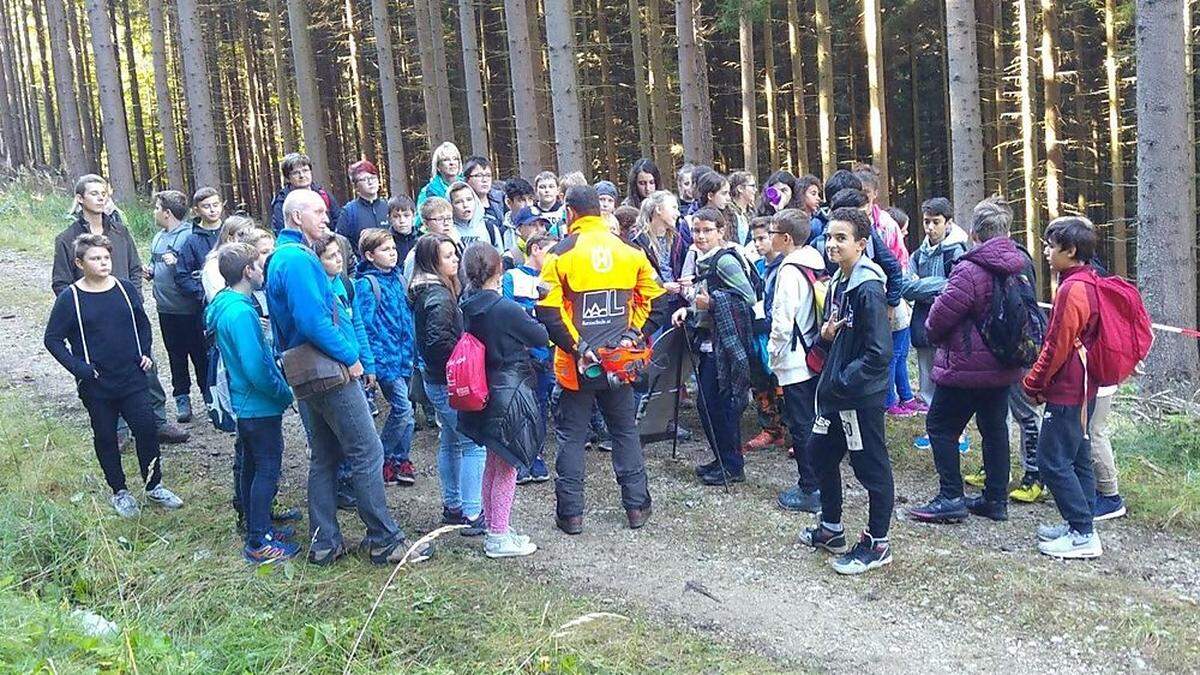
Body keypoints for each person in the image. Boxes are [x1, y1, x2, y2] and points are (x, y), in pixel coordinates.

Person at [266, 189, 423, 566]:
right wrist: (351, 357)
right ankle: (385, 540)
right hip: (328, 372)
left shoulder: (281, 258)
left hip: (305, 373)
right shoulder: (298, 260)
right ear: (296, 217)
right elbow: (312, 320)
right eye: (318, 212)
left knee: (325, 456)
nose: (326, 216)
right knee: (368, 451)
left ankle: (325, 543)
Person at [536, 186, 666, 534]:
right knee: (624, 430)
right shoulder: (629, 250)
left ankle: (571, 516)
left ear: (570, 213)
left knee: (572, 436)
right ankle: (637, 508)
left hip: (577, 366)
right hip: (620, 363)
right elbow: (658, 299)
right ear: (600, 211)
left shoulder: (559, 254)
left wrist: (580, 348)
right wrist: (632, 335)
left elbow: (547, 311)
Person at [906, 196, 1028, 525]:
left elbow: (941, 317)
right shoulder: (1019, 265)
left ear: (974, 232)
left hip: (965, 366)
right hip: (1004, 365)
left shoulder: (969, 269)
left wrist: (932, 333)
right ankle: (995, 499)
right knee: (994, 429)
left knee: (940, 426)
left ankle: (950, 498)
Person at [44, 233, 184, 517]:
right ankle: (119, 491)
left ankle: (154, 485)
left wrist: (144, 352)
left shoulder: (126, 289)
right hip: (97, 383)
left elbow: (142, 324)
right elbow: (53, 340)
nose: (103, 262)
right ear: (79, 263)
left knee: (146, 430)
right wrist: (80, 368)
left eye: (106, 257)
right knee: (106, 436)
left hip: (132, 377)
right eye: (95, 258)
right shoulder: (71, 298)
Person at [51, 174, 187, 444]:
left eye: (104, 192)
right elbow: (60, 282)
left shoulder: (119, 232)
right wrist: (83, 305)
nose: (101, 198)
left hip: (126, 310)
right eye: (94, 193)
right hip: (91, 319)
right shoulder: (67, 239)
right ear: (80, 199)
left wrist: (131, 299)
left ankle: (157, 420)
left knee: (145, 362)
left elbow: (135, 268)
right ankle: (119, 429)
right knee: (104, 369)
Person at [798, 207, 894, 575]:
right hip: (837, 396)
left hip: (858, 397)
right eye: (829, 237)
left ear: (862, 244)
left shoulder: (868, 288)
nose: (832, 244)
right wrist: (825, 337)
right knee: (819, 452)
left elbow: (879, 353)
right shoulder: (840, 281)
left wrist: (842, 380)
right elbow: (842, 333)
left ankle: (878, 543)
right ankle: (832, 528)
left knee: (871, 466)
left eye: (842, 238)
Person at [206, 243, 298, 562]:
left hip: (245, 404)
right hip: (257, 404)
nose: (263, 272)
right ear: (247, 271)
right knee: (267, 468)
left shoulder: (224, 304)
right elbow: (255, 367)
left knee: (250, 466)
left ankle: (256, 525)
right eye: (259, 266)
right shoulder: (241, 312)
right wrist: (283, 393)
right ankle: (259, 541)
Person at [458, 243, 548, 558]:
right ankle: (497, 536)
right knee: (508, 466)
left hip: (485, 391)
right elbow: (539, 336)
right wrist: (542, 305)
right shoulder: (503, 308)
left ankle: (497, 525)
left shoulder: (468, 304)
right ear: (498, 271)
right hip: (509, 392)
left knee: (494, 463)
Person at [1023, 216, 1103, 559]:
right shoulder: (1085, 280)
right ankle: (1080, 523)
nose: (1045, 252)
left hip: (1070, 387)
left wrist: (1035, 381)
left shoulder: (1072, 289)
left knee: (1051, 459)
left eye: (1051, 246)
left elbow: (1058, 345)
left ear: (1070, 251)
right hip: (1082, 385)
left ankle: (1083, 533)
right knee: (1078, 457)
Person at [671, 207, 758, 486]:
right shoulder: (701, 258)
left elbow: (747, 296)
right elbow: (703, 295)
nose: (700, 236)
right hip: (710, 343)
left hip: (726, 346)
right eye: (696, 230)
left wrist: (712, 303)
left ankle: (732, 465)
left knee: (718, 404)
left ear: (721, 232)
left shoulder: (725, 261)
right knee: (709, 404)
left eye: (707, 230)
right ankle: (723, 459)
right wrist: (690, 310)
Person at [409, 234, 488, 536]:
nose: (455, 260)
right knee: (472, 444)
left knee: (451, 442)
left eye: (455, 254)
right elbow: (438, 343)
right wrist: (461, 364)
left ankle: (453, 505)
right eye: (447, 256)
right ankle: (471, 512)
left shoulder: (431, 291)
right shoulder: (439, 297)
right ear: (432, 262)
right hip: (448, 382)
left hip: (436, 380)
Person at [766, 210, 827, 513]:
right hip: (815, 351)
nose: (770, 235)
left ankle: (810, 488)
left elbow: (782, 319)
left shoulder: (789, 270)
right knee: (813, 421)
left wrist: (773, 353)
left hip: (795, 357)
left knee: (801, 425)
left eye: (773, 231)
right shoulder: (815, 260)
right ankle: (821, 481)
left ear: (786, 238)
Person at [354, 229, 417, 486]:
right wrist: (371, 362)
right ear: (369, 255)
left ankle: (400, 460)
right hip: (385, 360)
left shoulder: (399, 279)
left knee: (408, 413)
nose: (392, 253)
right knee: (403, 409)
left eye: (393, 248)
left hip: (405, 357)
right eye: (385, 250)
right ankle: (382, 456)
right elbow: (365, 326)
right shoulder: (367, 285)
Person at [502, 233, 557, 484]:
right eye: (550, 252)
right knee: (519, 406)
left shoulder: (553, 278)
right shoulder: (512, 276)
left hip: (546, 353)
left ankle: (536, 454)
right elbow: (507, 311)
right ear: (536, 249)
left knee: (540, 405)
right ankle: (519, 457)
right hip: (521, 354)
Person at [146, 190, 205, 424]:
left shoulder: (190, 236)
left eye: (157, 208)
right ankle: (182, 398)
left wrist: (178, 261)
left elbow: (198, 268)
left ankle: (210, 397)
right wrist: (151, 271)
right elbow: (154, 262)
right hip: (165, 309)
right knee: (175, 356)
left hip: (190, 310)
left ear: (167, 213)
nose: (155, 212)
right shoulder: (158, 237)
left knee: (200, 356)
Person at [743, 216, 788, 454]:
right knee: (760, 380)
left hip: (777, 332)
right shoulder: (758, 267)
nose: (759, 244)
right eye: (755, 239)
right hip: (758, 332)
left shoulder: (785, 267)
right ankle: (769, 428)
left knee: (780, 382)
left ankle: (787, 428)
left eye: (763, 238)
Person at [270, 152, 342, 234]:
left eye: (305, 170)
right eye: (295, 173)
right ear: (288, 178)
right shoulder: (282, 202)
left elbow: (338, 223)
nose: (302, 175)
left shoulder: (323, 195)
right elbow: (282, 232)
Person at [200, 215, 258, 301]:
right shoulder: (214, 265)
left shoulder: (249, 259)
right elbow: (217, 299)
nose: (247, 240)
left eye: (251, 235)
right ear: (230, 238)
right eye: (242, 235)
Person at [335, 160, 390, 251]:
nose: (370, 182)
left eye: (373, 177)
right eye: (364, 179)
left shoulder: (388, 206)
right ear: (356, 186)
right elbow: (340, 243)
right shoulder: (349, 212)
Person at [414, 141, 462, 227]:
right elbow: (420, 221)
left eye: (455, 159)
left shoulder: (468, 186)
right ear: (438, 166)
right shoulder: (428, 191)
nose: (452, 163)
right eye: (446, 160)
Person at [464, 156, 507, 250]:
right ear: (467, 179)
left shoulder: (501, 200)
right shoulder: (464, 204)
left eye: (488, 175)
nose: (484, 180)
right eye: (479, 175)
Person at [448, 180, 491, 246]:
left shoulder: (489, 227)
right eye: (458, 202)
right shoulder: (447, 231)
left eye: (469, 199)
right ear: (450, 205)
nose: (465, 205)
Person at [386, 195, 420, 267]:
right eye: (396, 216)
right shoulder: (385, 241)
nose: (402, 221)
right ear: (389, 219)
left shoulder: (422, 238)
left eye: (406, 215)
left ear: (414, 216)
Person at [728, 171, 757, 246]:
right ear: (740, 188)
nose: (755, 190)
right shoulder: (728, 212)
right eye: (752, 186)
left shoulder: (752, 211)